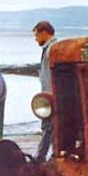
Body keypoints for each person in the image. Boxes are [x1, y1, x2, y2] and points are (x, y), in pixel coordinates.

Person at [33, 21, 57, 163]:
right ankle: (46, 155)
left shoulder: (52, 50)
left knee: (49, 126)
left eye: (36, 35)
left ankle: (42, 156)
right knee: (49, 126)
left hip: (50, 94)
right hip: (48, 93)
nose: (36, 39)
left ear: (44, 33)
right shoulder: (48, 49)